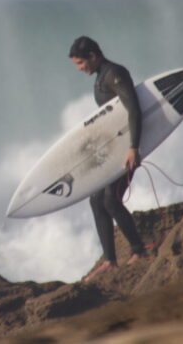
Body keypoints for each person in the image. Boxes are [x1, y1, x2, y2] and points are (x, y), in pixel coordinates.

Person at [69, 36, 149, 280]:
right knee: (96, 200)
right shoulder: (100, 78)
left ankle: (139, 250)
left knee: (111, 200)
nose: (79, 68)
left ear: (93, 55)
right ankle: (111, 261)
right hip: (114, 148)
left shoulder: (115, 73)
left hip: (128, 147)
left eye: (81, 63)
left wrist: (134, 147)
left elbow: (133, 109)